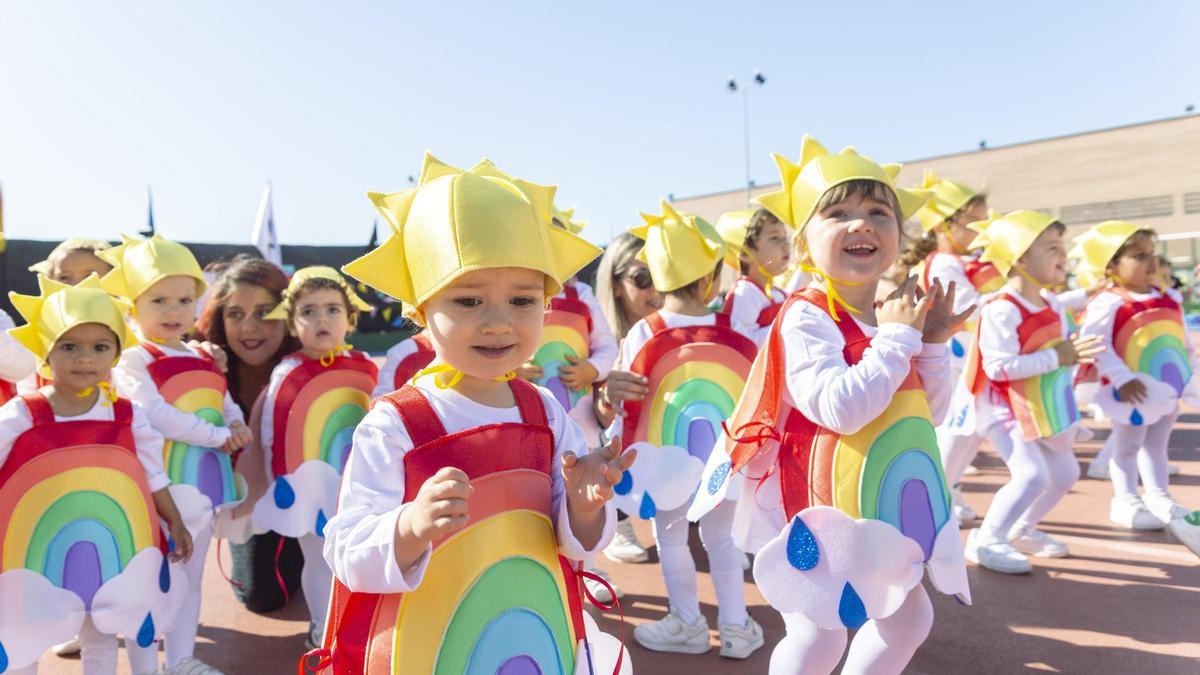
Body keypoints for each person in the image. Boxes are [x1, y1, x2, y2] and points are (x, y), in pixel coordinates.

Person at [319, 154, 632, 674]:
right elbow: (348, 548)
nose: (497, 322)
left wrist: (585, 504)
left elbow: (571, 538)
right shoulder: (396, 422)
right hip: (433, 648)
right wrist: (410, 525)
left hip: (533, 634)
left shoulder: (544, 411)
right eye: (467, 301)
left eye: (523, 300)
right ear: (419, 311)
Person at [690, 136, 972, 675]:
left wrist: (931, 341)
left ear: (899, 236)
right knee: (819, 634)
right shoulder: (806, 314)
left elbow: (927, 414)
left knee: (907, 620)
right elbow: (837, 407)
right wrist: (897, 340)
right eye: (837, 212)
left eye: (877, 212)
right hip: (815, 500)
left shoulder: (895, 316)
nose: (860, 224)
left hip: (877, 498)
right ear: (801, 244)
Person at [0, 276, 191, 675]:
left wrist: (174, 519)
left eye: (99, 347)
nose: (84, 358)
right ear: (45, 353)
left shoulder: (127, 414)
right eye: (69, 346)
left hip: (105, 547)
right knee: (26, 631)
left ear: (117, 355)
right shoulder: (22, 413)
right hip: (35, 545)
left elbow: (152, 473)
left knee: (100, 632)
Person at [609, 201, 764, 659]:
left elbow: (626, 396)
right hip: (722, 457)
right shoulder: (734, 330)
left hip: (664, 458)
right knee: (721, 539)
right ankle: (736, 627)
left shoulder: (644, 332)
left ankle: (688, 623)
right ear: (707, 279)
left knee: (671, 538)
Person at [100, 235, 254, 675]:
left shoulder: (202, 354)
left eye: (184, 299)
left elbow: (221, 396)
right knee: (153, 581)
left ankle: (182, 658)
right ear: (132, 307)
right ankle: (146, 665)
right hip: (159, 489)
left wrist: (236, 423)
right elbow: (154, 415)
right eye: (159, 300)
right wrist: (217, 434)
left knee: (190, 578)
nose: (173, 311)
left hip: (204, 485)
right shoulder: (132, 359)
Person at [961, 210, 1105, 573]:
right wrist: (1057, 355)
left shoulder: (1049, 302)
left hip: (1041, 406)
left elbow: (1063, 308)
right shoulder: (1000, 309)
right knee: (1031, 475)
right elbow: (998, 367)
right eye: (1053, 247)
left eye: (1063, 247)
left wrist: (1089, 294)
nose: (1064, 255)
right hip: (1003, 408)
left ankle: (1022, 528)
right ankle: (986, 539)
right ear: (1021, 258)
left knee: (1065, 473)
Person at [250, 266, 377, 650]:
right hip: (306, 485)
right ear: (292, 324)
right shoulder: (288, 371)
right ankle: (323, 630)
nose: (322, 318)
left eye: (333, 309)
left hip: (354, 483)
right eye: (308, 311)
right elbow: (275, 432)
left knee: (357, 557)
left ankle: (355, 627)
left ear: (350, 320)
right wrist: (282, 483)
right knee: (319, 559)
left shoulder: (365, 366)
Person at [1072, 222, 1200, 555]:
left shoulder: (1168, 297)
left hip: (1166, 390)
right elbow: (1095, 344)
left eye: (1152, 255)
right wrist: (1121, 378)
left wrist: (1188, 376)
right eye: (1139, 256)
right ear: (1112, 265)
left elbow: (1181, 342)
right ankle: (1125, 499)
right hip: (1131, 392)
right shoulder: (1108, 302)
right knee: (1128, 446)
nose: (1151, 262)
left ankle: (1159, 495)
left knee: (1158, 444)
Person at [194, 257, 306, 616]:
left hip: (302, 496)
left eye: (264, 312)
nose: (249, 327)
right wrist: (199, 366)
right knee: (262, 596)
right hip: (246, 500)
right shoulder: (202, 366)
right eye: (235, 314)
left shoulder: (313, 365)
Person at [900, 172, 1002, 523]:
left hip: (974, 356)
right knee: (959, 428)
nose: (982, 229)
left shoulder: (966, 261)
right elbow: (970, 310)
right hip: (959, 357)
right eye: (975, 222)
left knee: (968, 430)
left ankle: (948, 490)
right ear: (944, 226)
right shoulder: (945, 263)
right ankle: (938, 494)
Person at [593, 232, 661, 565]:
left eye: (663, 274)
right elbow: (589, 416)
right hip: (614, 452)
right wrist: (607, 399)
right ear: (617, 284)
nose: (656, 290)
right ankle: (615, 520)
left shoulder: (675, 333)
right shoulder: (597, 336)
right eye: (643, 278)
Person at [716, 208, 793, 346]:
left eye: (785, 237)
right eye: (774, 238)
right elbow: (741, 342)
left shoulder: (776, 292)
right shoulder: (744, 293)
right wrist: (789, 327)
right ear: (745, 254)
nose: (785, 244)